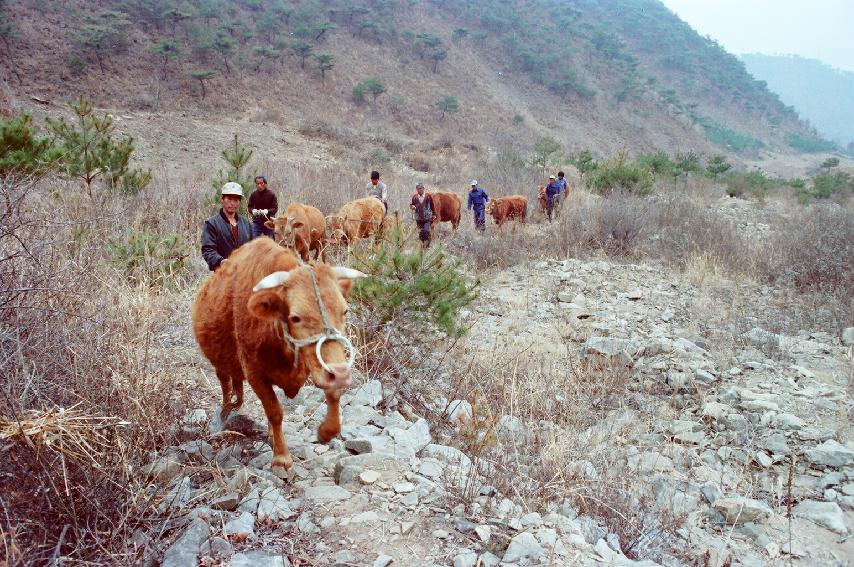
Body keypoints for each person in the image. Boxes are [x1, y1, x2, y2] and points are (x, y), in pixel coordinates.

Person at [201, 182, 253, 271]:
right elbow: (208, 250)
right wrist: (221, 262)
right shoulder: (212, 223)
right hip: (223, 274)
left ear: (239, 202)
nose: (232, 203)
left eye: (236, 200)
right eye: (229, 199)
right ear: (222, 199)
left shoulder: (245, 223)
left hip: (244, 274)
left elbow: (252, 247)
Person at [409, 183, 435, 247]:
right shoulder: (415, 197)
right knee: (421, 232)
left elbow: (432, 205)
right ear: (416, 189)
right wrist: (412, 206)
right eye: (418, 189)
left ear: (423, 188)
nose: (419, 190)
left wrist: (434, 214)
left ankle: (427, 245)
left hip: (427, 217)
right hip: (418, 218)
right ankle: (422, 245)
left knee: (426, 230)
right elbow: (412, 204)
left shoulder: (428, 196)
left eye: (421, 188)